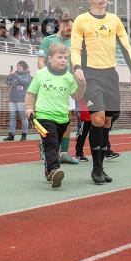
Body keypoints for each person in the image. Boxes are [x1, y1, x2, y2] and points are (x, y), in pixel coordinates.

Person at [71, 0, 131, 184]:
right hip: (91, 75)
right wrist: (77, 67)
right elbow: (75, 47)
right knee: (98, 119)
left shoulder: (114, 20)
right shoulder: (81, 20)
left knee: (108, 121)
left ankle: (100, 164)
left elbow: (125, 45)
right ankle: (97, 168)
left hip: (110, 75)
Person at [26, 42, 86, 188]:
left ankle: (48, 170)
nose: (64, 60)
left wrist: (82, 85)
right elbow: (31, 93)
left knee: (54, 145)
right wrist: (28, 108)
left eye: (66, 57)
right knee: (52, 143)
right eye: (60, 57)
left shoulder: (69, 77)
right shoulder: (41, 75)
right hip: (44, 116)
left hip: (63, 118)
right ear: (50, 58)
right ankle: (55, 170)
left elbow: (77, 97)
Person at [38, 14, 81, 164]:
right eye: (68, 28)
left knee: (67, 119)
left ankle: (63, 152)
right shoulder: (48, 41)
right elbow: (40, 61)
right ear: (61, 25)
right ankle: (46, 146)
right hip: (51, 84)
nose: (70, 32)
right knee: (49, 118)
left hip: (67, 85)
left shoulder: (73, 43)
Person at [4, 61, 31, 141]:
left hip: (21, 100)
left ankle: (24, 134)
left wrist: (14, 75)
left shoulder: (27, 75)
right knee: (12, 117)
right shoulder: (14, 74)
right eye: (17, 66)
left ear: (24, 67)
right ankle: (11, 135)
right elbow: (8, 83)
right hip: (12, 100)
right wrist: (9, 76)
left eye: (20, 66)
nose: (18, 67)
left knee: (23, 118)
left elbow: (24, 82)